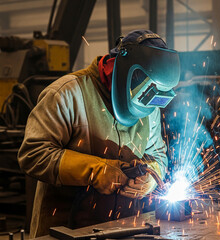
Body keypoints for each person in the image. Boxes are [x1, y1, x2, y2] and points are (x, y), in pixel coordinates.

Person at [18, 30, 180, 238]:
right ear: (123, 72)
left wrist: (150, 178)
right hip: (66, 229)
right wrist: (95, 171)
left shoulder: (149, 105)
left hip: (126, 230)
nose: (145, 97)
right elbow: (33, 154)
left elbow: (157, 155)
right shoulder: (66, 94)